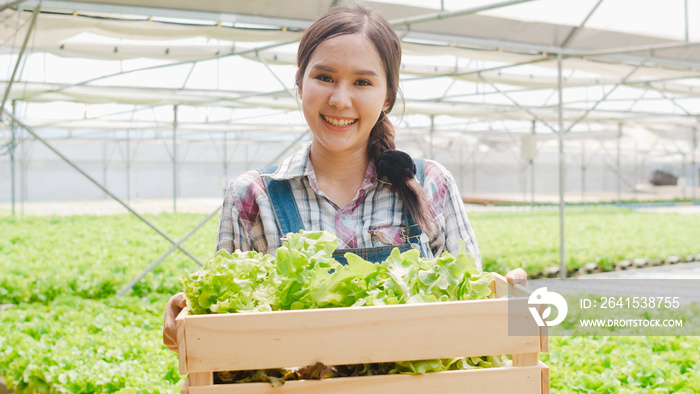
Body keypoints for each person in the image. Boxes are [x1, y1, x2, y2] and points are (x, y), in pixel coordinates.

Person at [163, 4, 526, 352]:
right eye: (324, 77)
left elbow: (473, 312)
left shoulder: (431, 183)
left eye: (362, 82)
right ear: (300, 84)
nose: (340, 99)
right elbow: (226, 324)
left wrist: (510, 304)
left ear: (387, 97)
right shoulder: (253, 195)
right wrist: (192, 321)